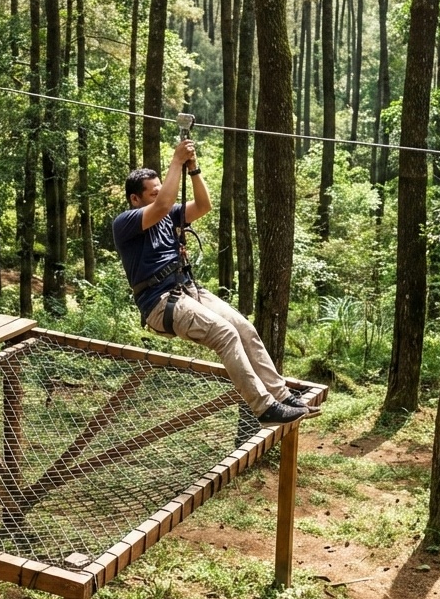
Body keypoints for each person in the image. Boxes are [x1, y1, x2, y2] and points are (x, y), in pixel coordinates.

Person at [112, 138, 318, 425]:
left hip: (186, 289)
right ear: (135, 199)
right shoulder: (126, 222)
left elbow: (204, 205)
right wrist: (175, 162)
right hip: (159, 302)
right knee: (225, 334)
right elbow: (162, 205)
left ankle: (280, 395)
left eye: (160, 190)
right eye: (152, 193)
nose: (159, 197)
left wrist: (193, 169)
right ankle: (264, 408)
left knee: (244, 329)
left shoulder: (168, 216)